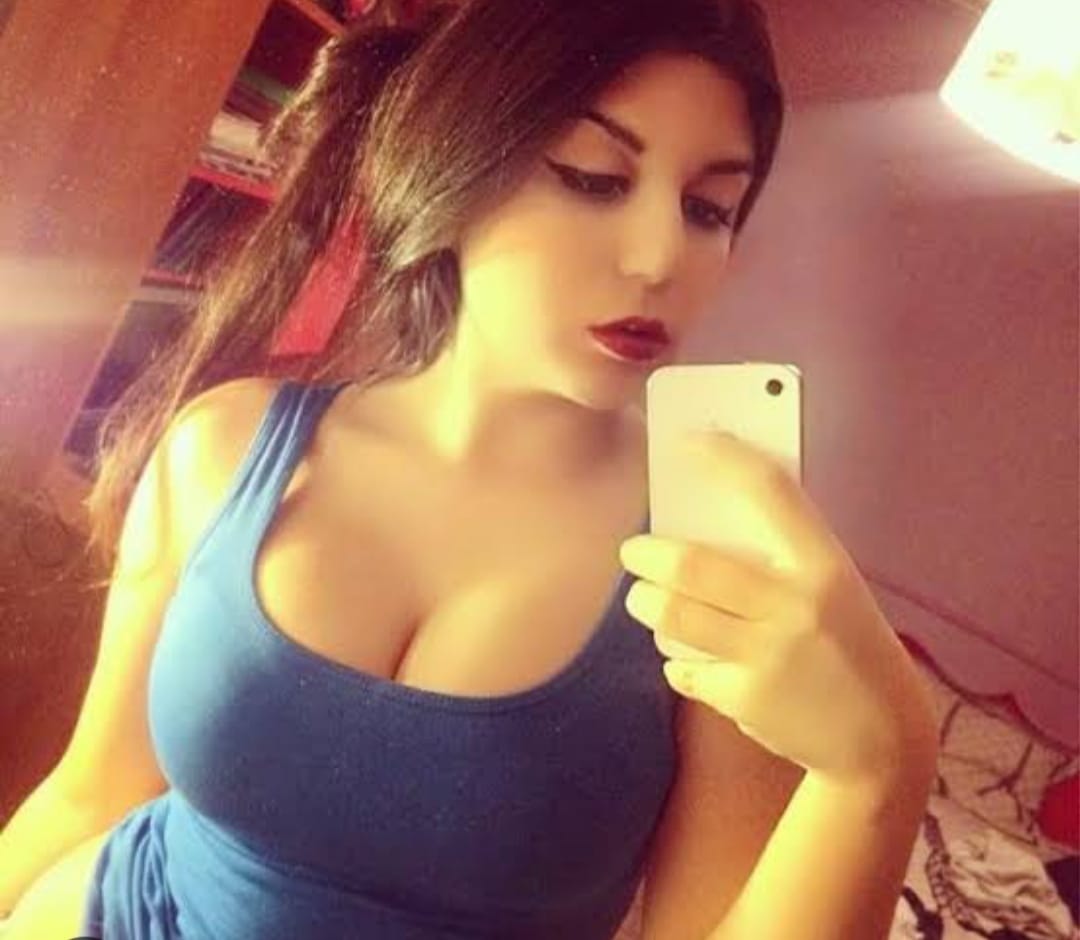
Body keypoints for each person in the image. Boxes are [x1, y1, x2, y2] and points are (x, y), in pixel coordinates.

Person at [0, 0, 786, 936]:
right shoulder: (224, 448)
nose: (661, 258)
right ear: (453, 164)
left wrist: (878, 767)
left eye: (709, 209)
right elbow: (93, 791)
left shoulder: (717, 560)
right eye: (593, 178)